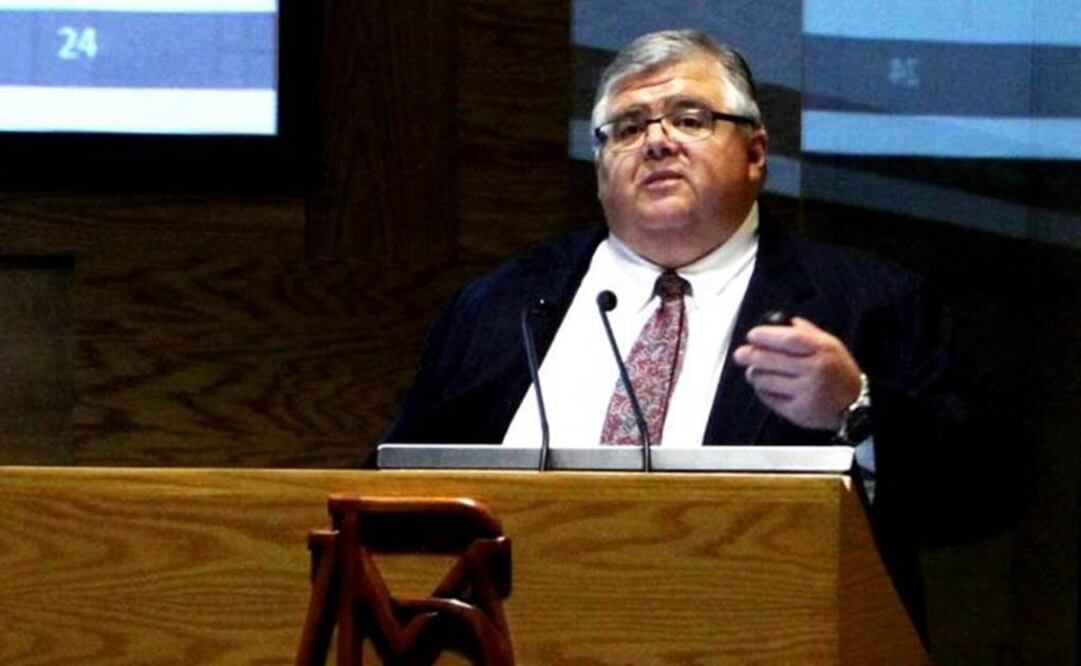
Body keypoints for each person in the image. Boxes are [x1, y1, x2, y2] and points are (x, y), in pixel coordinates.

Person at [384, 29, 1029, 641]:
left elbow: (991, 490)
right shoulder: (499, 307)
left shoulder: (870, 305)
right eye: (628, 128)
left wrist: (858, 409)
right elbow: (385, 496)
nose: (657, 143)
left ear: (755, 154)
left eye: (690, 119)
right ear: (600, 165)